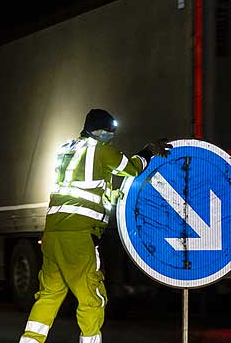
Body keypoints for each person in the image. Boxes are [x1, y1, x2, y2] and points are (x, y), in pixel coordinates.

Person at [19, 109, 171, 343]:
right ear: (101, 131)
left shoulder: (66, 149)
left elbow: (86, 186)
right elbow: (131, 168)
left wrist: (112, 197)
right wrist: (149, 151)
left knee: (49, 294)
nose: (112, 136)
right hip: (78, 235)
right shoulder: (101, 150)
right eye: (110, 131)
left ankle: (29, 341)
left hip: (52, 233)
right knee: (92, 296)